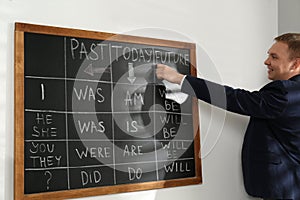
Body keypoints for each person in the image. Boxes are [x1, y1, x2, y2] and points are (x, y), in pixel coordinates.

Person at [156, 33, 300, 200]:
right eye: (268, 55)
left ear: (295, 63)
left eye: (274, 57)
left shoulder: (285, 93)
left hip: (285, 189)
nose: (266, 61)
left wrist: (180, 79)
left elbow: (234, 98)